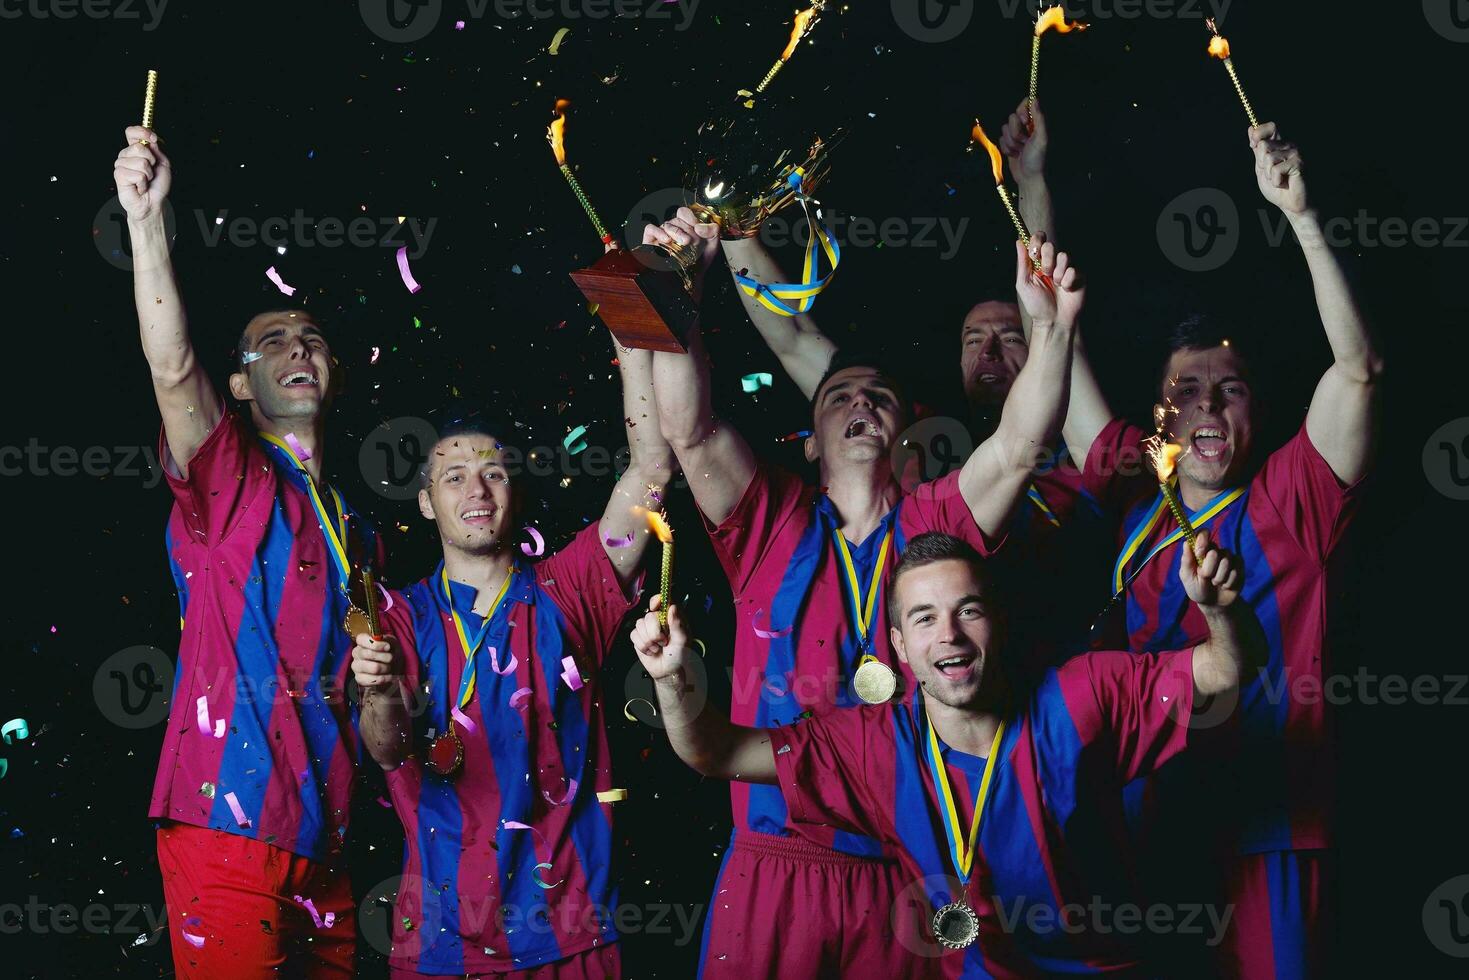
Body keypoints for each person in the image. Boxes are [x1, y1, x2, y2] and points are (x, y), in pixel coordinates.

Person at [645, 203, 1083, 976]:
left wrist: (1050, 329)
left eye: (878, 396)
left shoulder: (937, 516)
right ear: (809, 438)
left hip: (905, 865)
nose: (859, 403)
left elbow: (1016, 447)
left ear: (902, 430)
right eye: (838, 395)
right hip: (775, 859)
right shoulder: (769, 520)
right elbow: (690, 431)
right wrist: (680, 290)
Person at [631, 530, 1264, 978]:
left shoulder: (1082, 696)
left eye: (968, 610)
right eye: (926, 619)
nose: (951, 635)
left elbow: (1224, 672)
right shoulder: (874, 744)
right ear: (901, 647)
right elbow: (716, 752)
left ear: (998, 624)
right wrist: (669, 678)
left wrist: (1221, 612)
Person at [1057, 122, 1381, 978]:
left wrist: (1301, 217)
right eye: (1185, 390)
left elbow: (1356, 371)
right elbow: (1059, 352)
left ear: (1257, 415)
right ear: (1160, 415)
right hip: (1142, 820)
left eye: (1229, 390)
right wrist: (1029, 179)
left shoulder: (1291, 498)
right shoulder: (1137, 489)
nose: (1207, 406)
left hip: (1267, 826)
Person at [675, 98, 1102, 669]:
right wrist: (730, 221)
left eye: (1011, 335)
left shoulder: (1072, 445)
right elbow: (795, 337)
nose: (990, 351)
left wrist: (1030, 185)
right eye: (973, 340)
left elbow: (1048, 320)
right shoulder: (917, 432)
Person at [114, 125, 379, 976]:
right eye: (271, 343)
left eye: (310, 338)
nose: (297, 348)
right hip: (227, 831)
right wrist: (147, 224)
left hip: (328, 846)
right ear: (239, 387)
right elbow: (170, 363)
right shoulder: (230, 474)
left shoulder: (361, 528)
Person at [349, 343, 674, 978]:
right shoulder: (398, 617)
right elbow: (388, 752)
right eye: (452, 477)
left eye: (493, 473)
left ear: (513, 491)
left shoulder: (573, 588)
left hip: (572, 933)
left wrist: (631, 350)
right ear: (424, 503)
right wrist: (381, 689)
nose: (476, 490)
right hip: (442, 943)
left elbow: (652, 470)